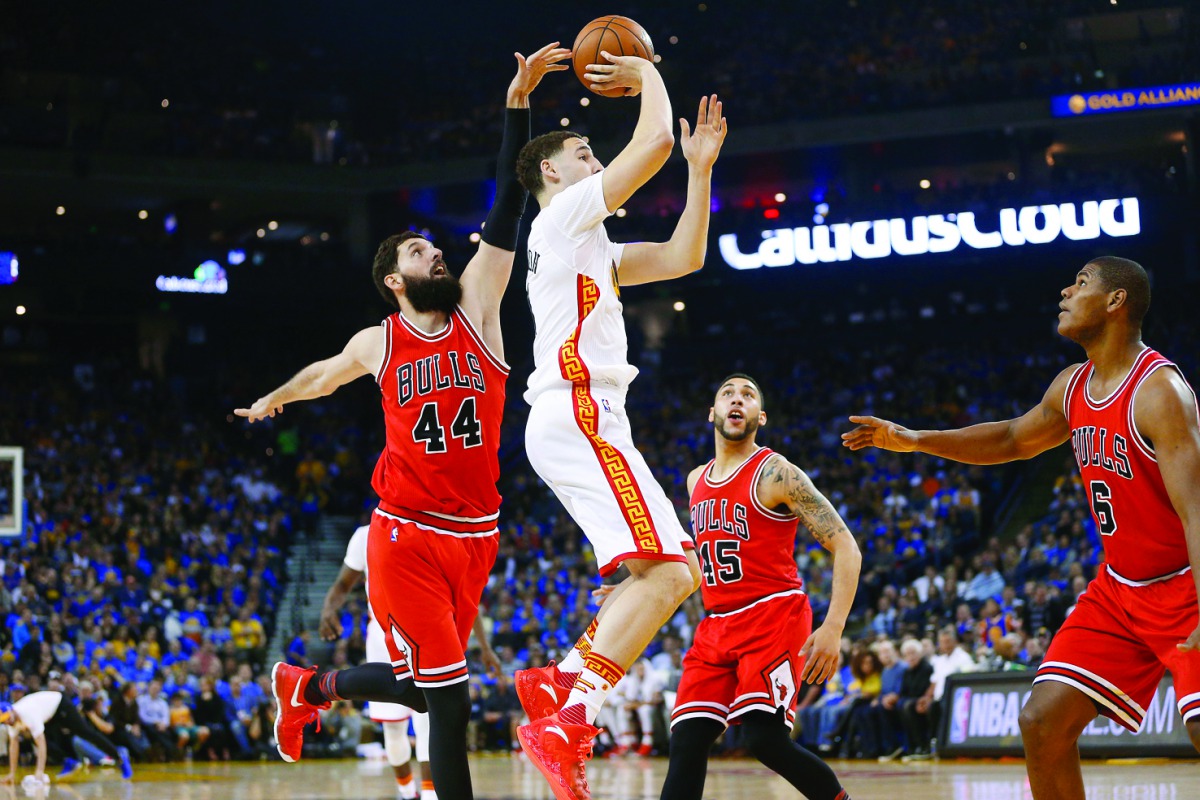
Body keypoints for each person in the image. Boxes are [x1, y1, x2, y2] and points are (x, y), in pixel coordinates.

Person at [235, 43, 569, 800]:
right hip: (407, 531)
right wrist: (274, 399)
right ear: (396, 279)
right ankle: (315, 692)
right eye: (423, 251)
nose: (441, 252)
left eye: (438, 246)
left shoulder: (481, 303)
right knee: (447, 705)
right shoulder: (379, 341)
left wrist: (517, 105)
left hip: (477, 532)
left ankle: (309, 687)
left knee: (437, 694)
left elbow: (507, 204)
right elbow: (322, 377)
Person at [842, 256, 1200, 798]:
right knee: (1041, 722)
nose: (1065, 290)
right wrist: (916, 439)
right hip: (1119, 591)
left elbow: (1197, 509)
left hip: (1184, 588)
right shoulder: (1072, 386)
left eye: (1081, 282)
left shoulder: (1159, 392)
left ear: (1115, 301)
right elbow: (1012, 438)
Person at [511, 48, 727, 800]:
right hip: (577, 407)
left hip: (582, 415)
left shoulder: (585, 245)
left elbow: (683, 257)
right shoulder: (564, 216)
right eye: (582, 152)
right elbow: (653, 142)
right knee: (672, 573)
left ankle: (566, 681)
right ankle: (571, 716)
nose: (594, 158)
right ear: (552, 174)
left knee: (668, 573)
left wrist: (699, 172)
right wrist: (649, 70)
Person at [658, 374, 861, 800]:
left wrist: (834, 627)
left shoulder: (776, 472)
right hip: (716, 625)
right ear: (711, 413)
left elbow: (846, 546)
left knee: (765, 740)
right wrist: (632, 587)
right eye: (727, 394)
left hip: (773, 614)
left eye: (748, 396)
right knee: (687, 740)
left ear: (760, 417)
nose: (737, 400)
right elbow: (694, 558)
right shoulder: (696, 480)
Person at [318, 523, 502, 798]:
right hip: (383, 634)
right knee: (394, 726)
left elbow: (463, 597)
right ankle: (407, 794)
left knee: (432, 715)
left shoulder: (437, 528)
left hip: (427, 629)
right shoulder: (365, 534)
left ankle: (429, 796)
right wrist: (328, 608)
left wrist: (485, 647)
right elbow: (343, 583)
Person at [0, 687, 133, 783]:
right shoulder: (11, 722)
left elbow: (41, 744)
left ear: (12, 710)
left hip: (60, 704)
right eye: (4, 720)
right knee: (29, 738)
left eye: (7, 717)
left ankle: (119, 757)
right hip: (48, 714)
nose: (7, 721)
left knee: (86, 733)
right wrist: (11, 773)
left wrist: (39, 771)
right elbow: (13, 746)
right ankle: (68, 762)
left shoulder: (27, 714)